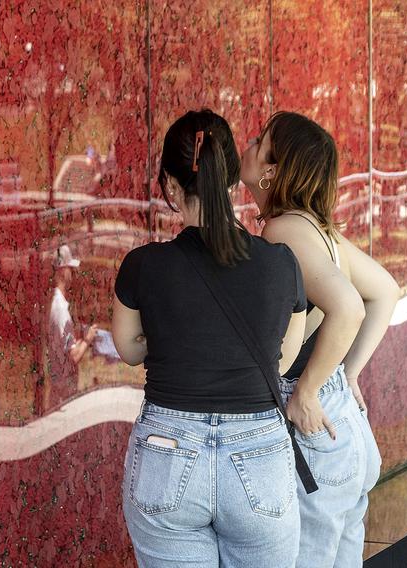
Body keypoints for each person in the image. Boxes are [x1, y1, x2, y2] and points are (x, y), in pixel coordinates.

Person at [113, 109, 307, 567]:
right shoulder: (281, 263)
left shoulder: (143, 267)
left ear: (170, 187)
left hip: (167, 454)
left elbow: (128, 348)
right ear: (233, 180)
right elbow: (283, 357)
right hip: (259, 455)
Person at [240, 111, 398, 567]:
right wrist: (346, 375)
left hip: (319, 439)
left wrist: (309, 389)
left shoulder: (284, 230)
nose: (246, 145)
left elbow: (350, 306)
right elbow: (384, 290)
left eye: (258, 140)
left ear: (272, 169)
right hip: (344, 432)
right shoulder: (316, 228)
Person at [45, 245, 98, 407]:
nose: (73, 275)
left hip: (57, 384)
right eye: (70, 269)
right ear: (62, 271)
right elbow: (73, 356)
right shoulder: (61, 309)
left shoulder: (54, 302)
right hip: (63, 390)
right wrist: (88, 339)